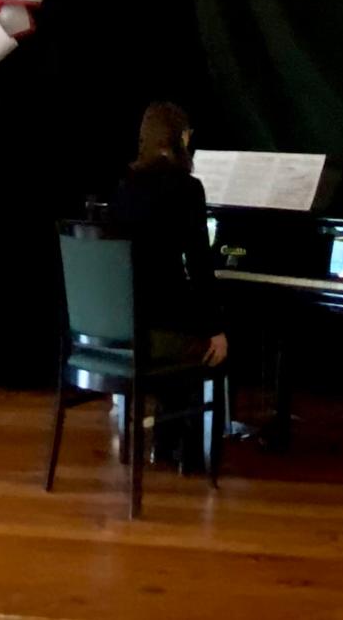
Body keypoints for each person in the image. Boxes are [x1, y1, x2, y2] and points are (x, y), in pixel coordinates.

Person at [108, 102, 229, 471]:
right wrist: (216, 329)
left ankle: (165, 439)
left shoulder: (124, 186)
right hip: (158, 333)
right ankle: (190, 453)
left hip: (120, 326)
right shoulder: (187, 188)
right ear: (181, 138)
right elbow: (200, 265)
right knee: (207, 342)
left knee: (178, 324)